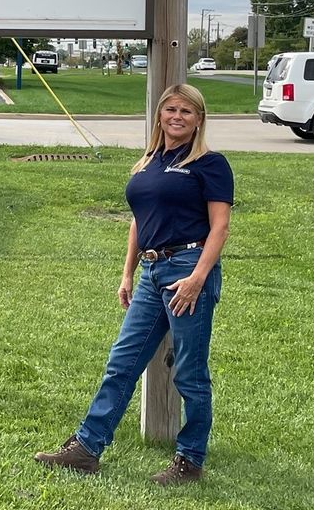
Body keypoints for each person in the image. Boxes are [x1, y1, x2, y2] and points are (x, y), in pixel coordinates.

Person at [34, 83, 232, 485]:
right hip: (151, 272)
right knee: (122, 362)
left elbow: (220, 227)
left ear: (199, 120)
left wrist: (197, 278)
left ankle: (189, 461)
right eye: (171, 109)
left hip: (188, 269)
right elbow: (139, 221)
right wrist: (128, 272)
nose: (177, 117)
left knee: (190, 372)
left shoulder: (210, 164)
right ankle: (87, 449)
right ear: (160, 114)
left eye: (187, 112)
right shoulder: (149, 161)